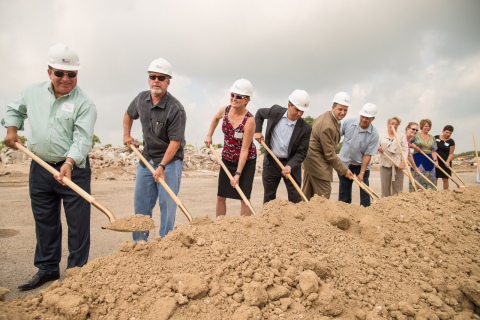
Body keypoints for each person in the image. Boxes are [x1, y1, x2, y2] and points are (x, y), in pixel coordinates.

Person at [1, 44, 97, 290]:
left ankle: (77, 274)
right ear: (49, 72)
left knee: (77, 225)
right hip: (41, 167)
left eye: (71, 74)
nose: (65, 79)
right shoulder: (32, 92)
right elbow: (14, 109)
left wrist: (68, 162)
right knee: (45, 221)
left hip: (73, 170)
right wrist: (12, 128)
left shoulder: (85, 103)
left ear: (77, 74)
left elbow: (83, 139)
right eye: (59, 73)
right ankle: (47, 270)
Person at [123, 58, 186, 240]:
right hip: (147, 157)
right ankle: (140, 242)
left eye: (161, 77)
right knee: (141, 204)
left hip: (170, 162)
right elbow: (128, 114)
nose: (156, 80)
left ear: (168, 81)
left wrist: (163, 166)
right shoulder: (141, 99)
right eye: (153, 77)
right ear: (149, 78)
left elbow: (175, 142)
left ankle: (165, 243)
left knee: (167, 206)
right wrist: (127, 135)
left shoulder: (175, 109)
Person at [204, 79, 256, 217]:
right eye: (233, 95)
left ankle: (244, 230)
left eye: (239, 96)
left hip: (245, 162)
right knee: (221, 196)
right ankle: (220, 227)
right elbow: (215, 118)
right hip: (227, 159)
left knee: (244, 198)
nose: (234, 99)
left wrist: (238, 174)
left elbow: (245, 150)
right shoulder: (225, 111)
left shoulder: (249, 120)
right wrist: (209, 135)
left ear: (247, 100)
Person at [254, 90, 312, 204]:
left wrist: (290, 166)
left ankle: (296, 221)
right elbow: (260, 113)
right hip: (272, 161)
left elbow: (302, 152)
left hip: (291, 164)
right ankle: (268, 220)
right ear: (289, 105)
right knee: (269, 197)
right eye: (297, 109)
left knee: (296, 198)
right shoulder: (275, 112)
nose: (299, 114)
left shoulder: (305, 128)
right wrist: (258, 131)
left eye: (302, 111)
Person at [302, 92, 354, 200]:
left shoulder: (328, 116)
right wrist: (344, 170)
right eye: (340, 109)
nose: (343, 112)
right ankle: (319, 216)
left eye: (345, 110)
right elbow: (329, 154)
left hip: (309, 158)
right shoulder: (328, 126)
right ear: (333, 107)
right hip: (316, 160)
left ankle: (303, 215)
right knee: (324, 193)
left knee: (308, 192)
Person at [338, 103, 379, 207]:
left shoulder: (374, 134)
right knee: (344, 192)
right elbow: (337, 136)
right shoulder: (349, 123)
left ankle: (366, 214)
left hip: (361, 165)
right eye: (363, 116)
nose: (364, 119)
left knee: (365, 192)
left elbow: (367, 155)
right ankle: (344, 211)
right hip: (345, 163)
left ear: (372, 119)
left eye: (368, 118)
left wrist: (362, 173)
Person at [378, 117, 408, 197]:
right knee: (385, 187)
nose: (394, 125)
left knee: (398, 188)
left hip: (398, 164)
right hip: (385, 162)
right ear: (388, 125)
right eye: (392, 123)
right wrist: (379, 149)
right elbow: (376, 147)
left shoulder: (401, 136)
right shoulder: (381, 135)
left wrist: (403, 162)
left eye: (396, 124)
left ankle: (397, 205)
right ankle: (385, 205)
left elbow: (405, 150)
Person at [410, 119, 438, 191]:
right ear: (422, 126)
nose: (427, 128)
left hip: (429, 159)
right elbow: (407, 143)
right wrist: (415, 147)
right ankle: (417, 192)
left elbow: (434, 151)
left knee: (430, 177)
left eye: (429, 126)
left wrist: (435, 160)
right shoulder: (416, 135)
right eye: (426, 126)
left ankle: (430, 193)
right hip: (418, 158)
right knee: (418, 175)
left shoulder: (432, 137)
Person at [435, 125, 455, 190]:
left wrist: (448, 161)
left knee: (445, 178)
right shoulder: (436, 137)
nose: (448, 134)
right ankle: (434, 191)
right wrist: (435, 160)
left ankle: (446, 192)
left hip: (446, 162)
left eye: (450, 133)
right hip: (436, 161)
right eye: (447, 132)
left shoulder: (451, 142)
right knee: (435, 177)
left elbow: (451, 153)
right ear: (443, 131)